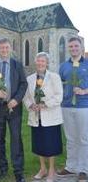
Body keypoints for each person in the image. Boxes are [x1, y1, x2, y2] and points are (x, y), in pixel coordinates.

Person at [0, 38, 27, 182]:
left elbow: (23, 84)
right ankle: (2, 169)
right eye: (2, 48)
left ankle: (18, 172)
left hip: (13, 108)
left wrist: (16, 100)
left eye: (7, 48)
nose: (4, 50)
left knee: (16, 139)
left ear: (10, 49)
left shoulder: (17, 65)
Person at [23, 52, 63, 182]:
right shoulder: (30, 79)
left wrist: (45, 104)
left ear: (47, 63)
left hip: (50, 116)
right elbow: (26, 97)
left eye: (43, 61)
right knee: (39, 144)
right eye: (38, 61)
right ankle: (42, 168)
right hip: (36, 117)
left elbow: (58, 97)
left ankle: (51, 170)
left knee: (51, 145)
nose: (40, 63)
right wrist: (31, 106)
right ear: (36, 62)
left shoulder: (54, 77)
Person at [57, 37, 88, 182]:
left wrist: (84, 91)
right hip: (66, 106)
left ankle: (83, 169)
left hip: (83, 106)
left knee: (83, 138)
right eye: (71, 46)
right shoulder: (63, 66)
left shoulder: (87, 64)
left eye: (76, 46)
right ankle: (71, 167)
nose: (74, 48)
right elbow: (59, 85)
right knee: (70, 138)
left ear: (81, 47)